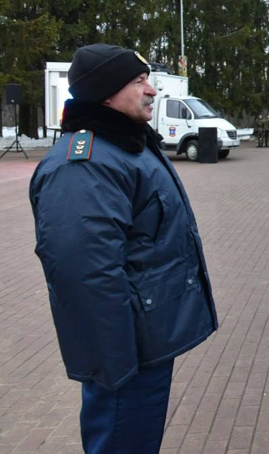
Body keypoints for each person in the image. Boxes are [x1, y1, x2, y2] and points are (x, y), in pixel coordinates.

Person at [29, 44, 218, 454]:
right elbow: (84, 275)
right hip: (125, 358)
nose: (152, 91)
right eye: (139, 82)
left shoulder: (124, 147)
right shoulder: (86, 164)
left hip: (144, 342)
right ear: (107, 92)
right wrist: (116, 368)